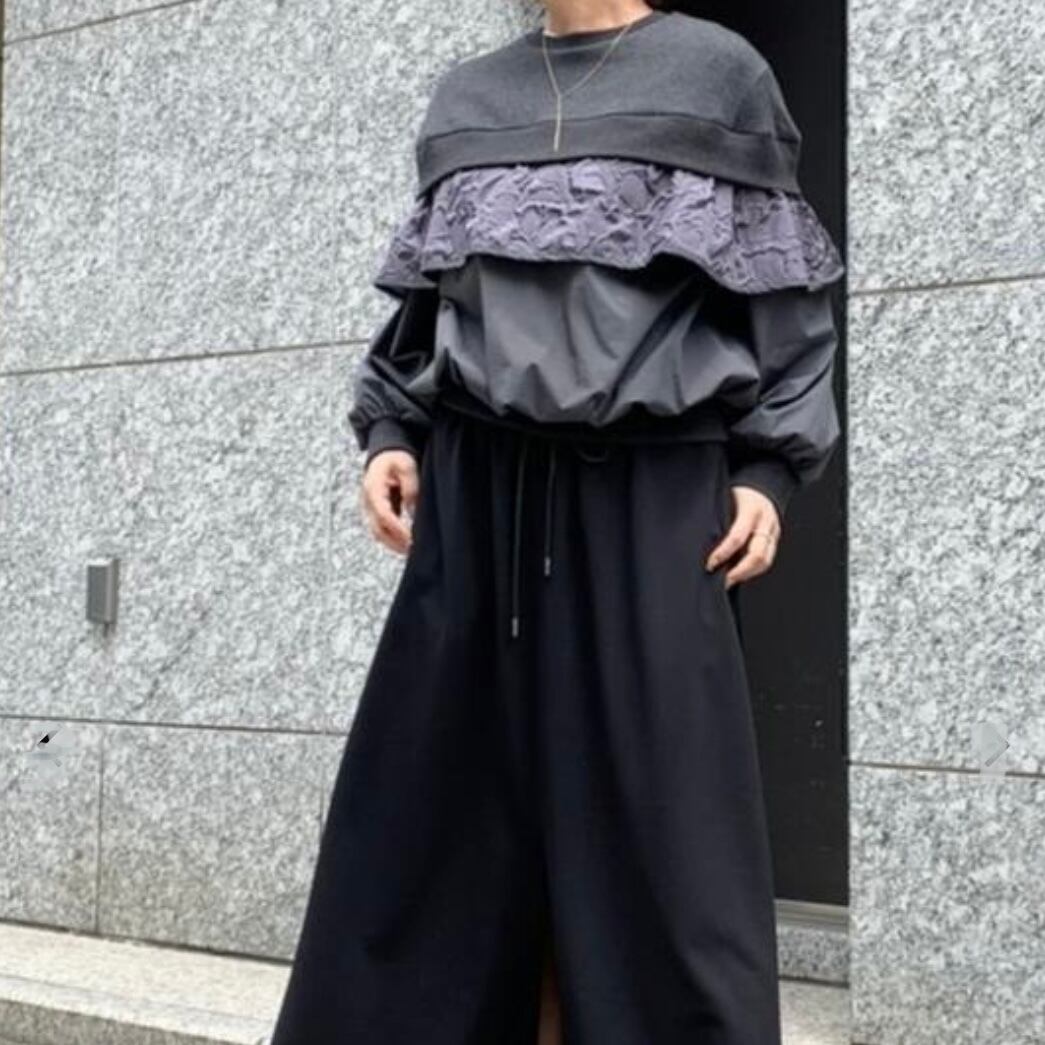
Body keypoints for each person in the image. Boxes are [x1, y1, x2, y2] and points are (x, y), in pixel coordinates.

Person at [269, 2, 844, 1043]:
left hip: (651, 495)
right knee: (431, 822)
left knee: (662, 834)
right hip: (476, 492)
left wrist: (769, 468)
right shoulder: (468, 95)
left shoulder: (716, 73)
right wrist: (392, 431)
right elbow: (427, 303)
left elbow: (784, 295)